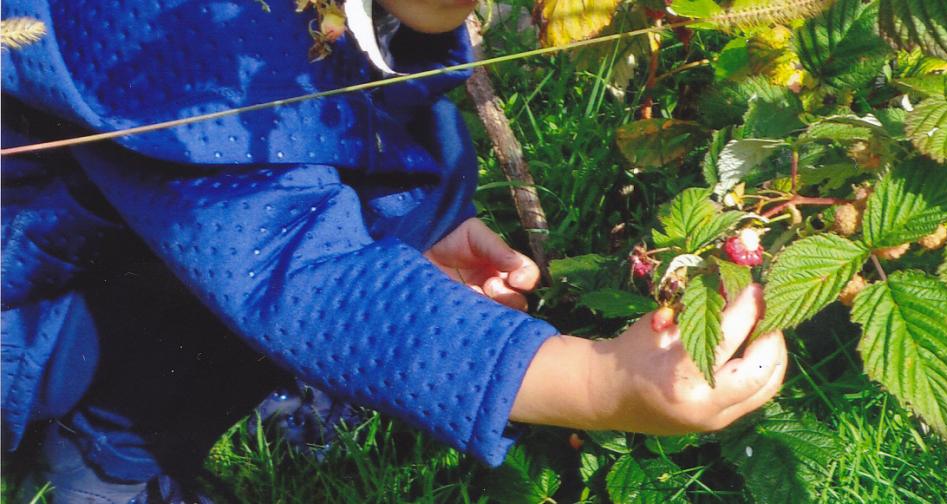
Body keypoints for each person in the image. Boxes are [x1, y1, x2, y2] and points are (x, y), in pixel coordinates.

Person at [0, 0, 787, 502]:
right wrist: (596, 383)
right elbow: (292, 271)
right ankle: (109, 462)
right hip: (21, 307)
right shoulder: (170, 25)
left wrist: (410, 218)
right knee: (257, 294)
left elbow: (351, 103)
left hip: (103, 223)